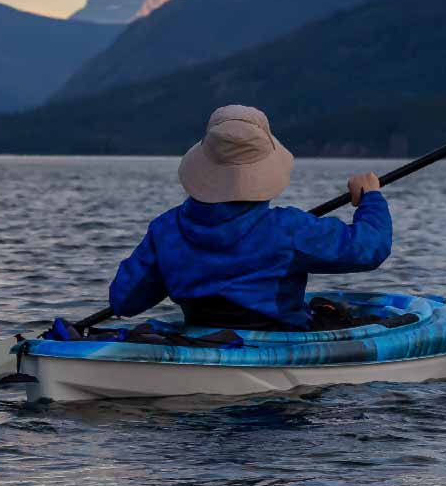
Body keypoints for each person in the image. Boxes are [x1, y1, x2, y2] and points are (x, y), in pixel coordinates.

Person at [108, 105, 391, 332]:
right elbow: (370, 248)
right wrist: (371, 199)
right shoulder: (288, 229)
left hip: (204, 335)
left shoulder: (166, 229)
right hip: (280, 342)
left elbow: (124, 300)